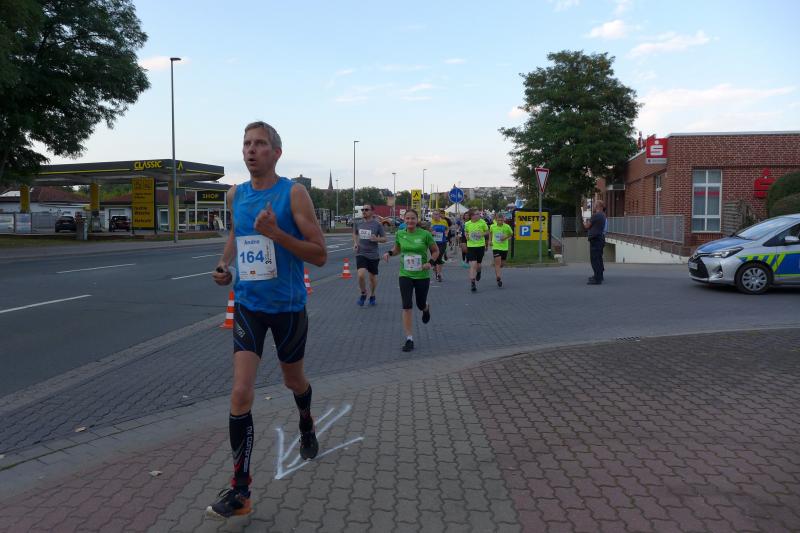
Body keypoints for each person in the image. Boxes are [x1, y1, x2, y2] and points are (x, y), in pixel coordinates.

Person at [208, 121, 327, 519]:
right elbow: (237, 235)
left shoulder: (293, 194)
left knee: (294, 381)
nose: (251, 150)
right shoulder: (235, 194)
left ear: (276, 152)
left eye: (259, 144)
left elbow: (319, 254)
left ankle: (306, 421)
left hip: (288, 308)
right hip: (249, 305)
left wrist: (277, 234)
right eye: (246, 143)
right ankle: (240, 491)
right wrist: (225, 264)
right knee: (241, 392)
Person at [382, 209, 438, 352]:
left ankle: (426, 308)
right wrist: (389, 253)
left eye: (412, 218)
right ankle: (409, 338)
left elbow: (435, 251)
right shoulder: (400, 233)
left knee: (420, 304)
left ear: (417, 219)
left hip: (422, 275)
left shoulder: (425, 234)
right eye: (407, 218)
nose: (410, 221)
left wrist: (430, 263)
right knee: (406, 305)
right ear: (404, 219)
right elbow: (397, 249)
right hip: (405, 274)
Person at [352, 204, 386, 305]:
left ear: (372, 211)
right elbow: (355, 233)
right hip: (361, 253)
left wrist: (377, 239)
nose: (364, 211)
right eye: (363, 209)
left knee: (372, 278)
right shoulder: (358, 223)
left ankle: (372, 295)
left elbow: (385, 239)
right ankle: (363, 293)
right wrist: (355, 243)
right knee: (361, 275)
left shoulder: (377, 225)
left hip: (373, 255)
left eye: (366, 209)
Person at [464, 209, 489, 292]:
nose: (479, 215)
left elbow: (487, 231)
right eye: (477, 214)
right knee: (473, 264)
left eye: (479, 214)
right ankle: (473, 282)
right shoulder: (467, 224)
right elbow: (466, 232)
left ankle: (479, 272)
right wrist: (466, 235)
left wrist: (482, 234)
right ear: (472, 216)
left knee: (478, 265)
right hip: (471, 246)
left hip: (480, 246)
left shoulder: (482, 222)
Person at [583, 200, 607, 285]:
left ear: (598, 206)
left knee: (594, 259)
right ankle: (599, 276)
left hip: (595, 239)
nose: (593, 206)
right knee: (599, 258)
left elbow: (587, 226)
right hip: (600, 238)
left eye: (594, 205)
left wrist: (584, 222)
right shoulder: (603, 215)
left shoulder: (596, 215)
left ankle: (597, 279)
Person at [489, 213, 514, 287]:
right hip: (496, 247)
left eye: (501, 220)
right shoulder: (492, 226)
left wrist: (505, 237)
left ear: (504, 220)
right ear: (496, 220)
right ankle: (498, 278)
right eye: (498, 220)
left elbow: (511, 234)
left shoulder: (507, 227)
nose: (500, 222)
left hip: (504, 247)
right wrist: (489, 241)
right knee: (497, 263)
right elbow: (490, 233)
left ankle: (497, 270)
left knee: (502, 264)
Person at [429, 209, 449, 282]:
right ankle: (436, 271)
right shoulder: (430, 223)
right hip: (432, 243)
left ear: (439, 215)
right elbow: (426, 232)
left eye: (437, 214)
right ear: (432, 215)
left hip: (442, 242)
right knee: (435, 258)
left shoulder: (444, 222)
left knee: (439, 256)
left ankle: (439, 274)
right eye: (434, 214)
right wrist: (431, 233)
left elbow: (447, 229)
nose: (435, 216)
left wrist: (446, 233)